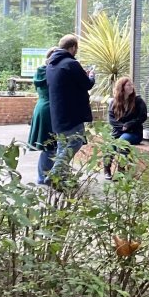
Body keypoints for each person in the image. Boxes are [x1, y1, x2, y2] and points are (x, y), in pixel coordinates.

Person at [43, 34, 94, 184]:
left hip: (57, 114)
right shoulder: (71, 64)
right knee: (75, 142)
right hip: (72, 113)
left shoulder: (51, 65)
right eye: (76, 48)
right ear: (72, 48)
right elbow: (87, 84)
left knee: (62, 146)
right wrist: (91, 76)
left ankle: (61, 180)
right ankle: (54, 174)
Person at [106, 77, 148, 178]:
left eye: (132, 85)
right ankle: (106, 170)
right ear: (122, 87)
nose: (131, 87)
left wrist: (129, 125)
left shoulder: (138, 101)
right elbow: (111, 119)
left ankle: (121, 170)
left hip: (134, 133)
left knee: (122, 142)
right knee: (110, 145)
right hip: (118, 132)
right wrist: (122, 127)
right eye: (128, 85)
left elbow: (143, 116)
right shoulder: (114, 102)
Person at [26, 55, 55, 185]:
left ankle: (43, 176)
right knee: (50, 146)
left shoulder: (40, 72)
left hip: (41, 107)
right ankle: (44, 177)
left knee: (48, 146)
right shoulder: (51, 72)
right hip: (49, 109)